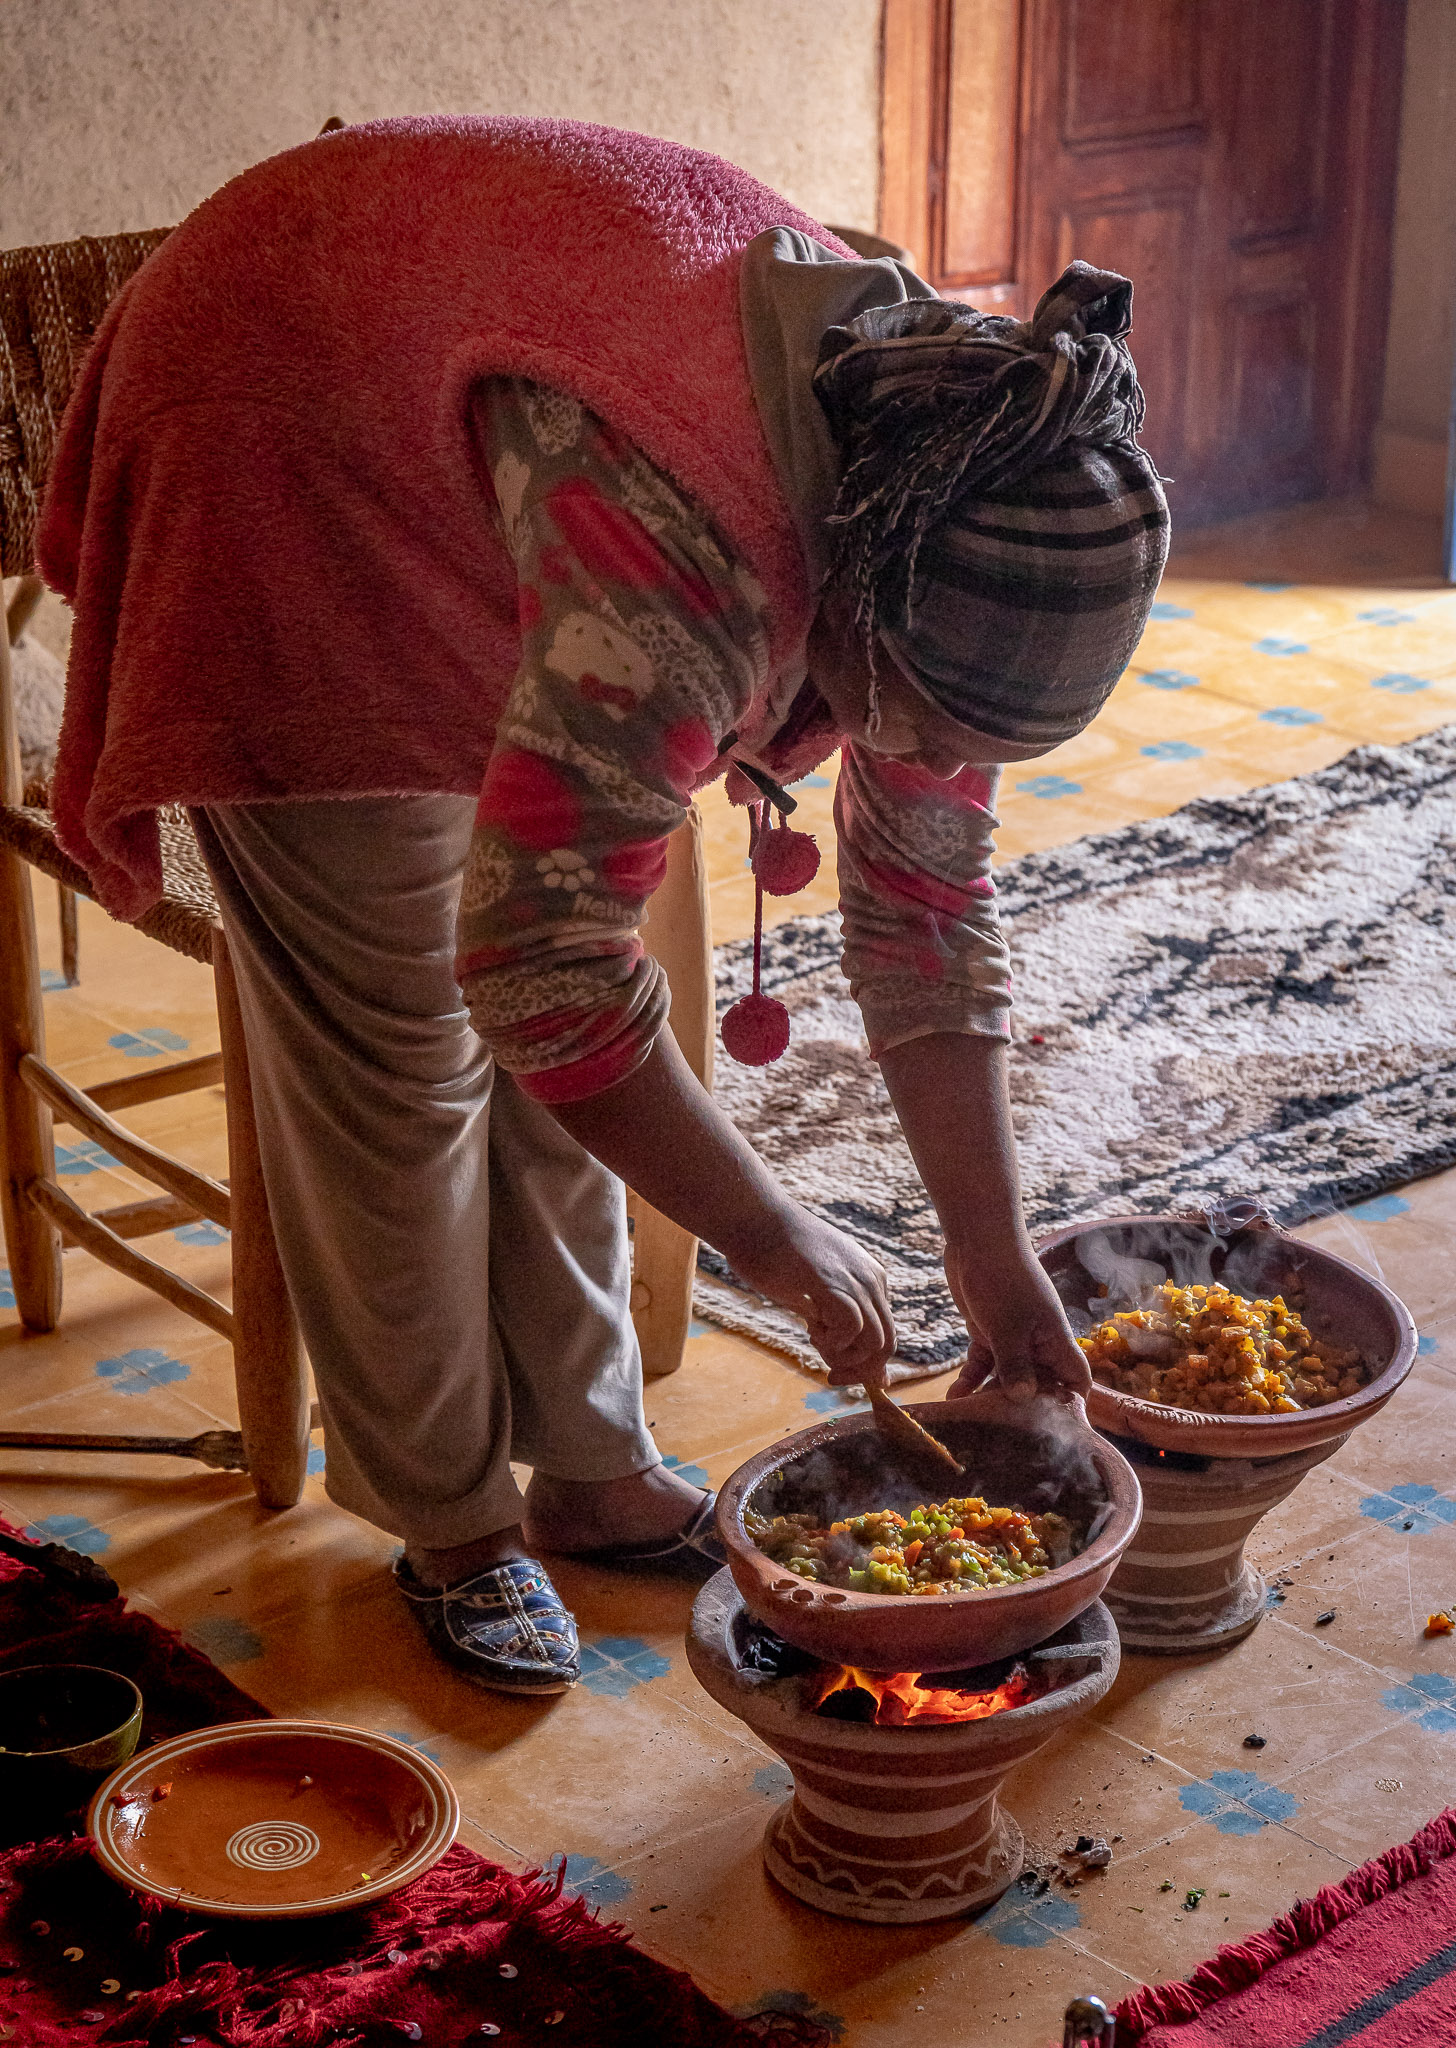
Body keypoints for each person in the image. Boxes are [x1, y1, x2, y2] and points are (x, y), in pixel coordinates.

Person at [39, 116, 1168, 1695]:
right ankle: (448, 1523)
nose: (928, 773)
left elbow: (922, 907)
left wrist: (994, 1261)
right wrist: (772, 1238)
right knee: (404, 1045)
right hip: (278, 414)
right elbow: (536, 969)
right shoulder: (694, 563)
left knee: (568, 987)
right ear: (848, 611)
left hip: (472, 376)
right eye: (916, 731)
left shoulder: (954, 475)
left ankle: (589, 1465)